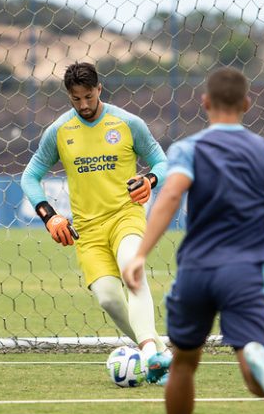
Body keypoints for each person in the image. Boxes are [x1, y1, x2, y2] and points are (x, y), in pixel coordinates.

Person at [121, 67, 264, 414]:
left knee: (183, 363)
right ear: (247, 105)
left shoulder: (189, 148)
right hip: (245, 271)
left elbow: (171, 196)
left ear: (205, 104)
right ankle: (254, 355)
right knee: (257, 380)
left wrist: (142, 252)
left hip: (196, 271)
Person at [21, 61, 172, 383]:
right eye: (76, 99)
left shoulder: (128, 123)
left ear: (99, 89)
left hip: (125, 216)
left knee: (132, 269)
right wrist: (49, 215)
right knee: (107, 296)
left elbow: (161, 160)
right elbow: (30, 177)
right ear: (68, 96)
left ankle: (147, 354)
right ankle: (161, 353)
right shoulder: (60, 131)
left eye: (89, 96)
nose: (84, 105)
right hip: (88, 230)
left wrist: (152, 179)